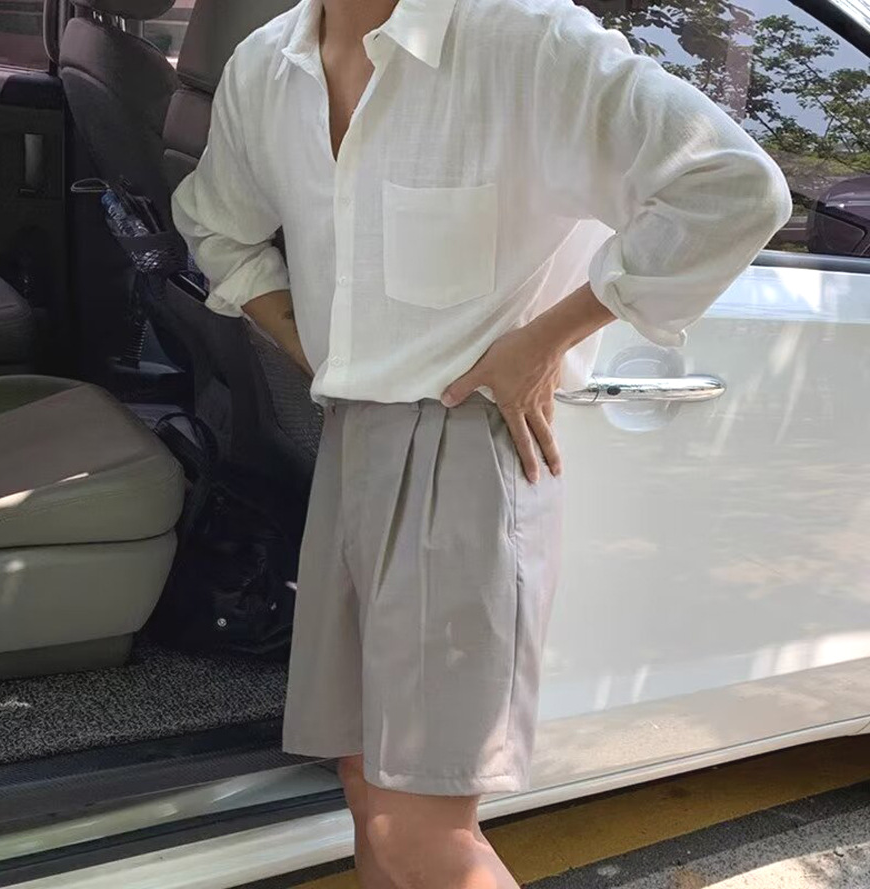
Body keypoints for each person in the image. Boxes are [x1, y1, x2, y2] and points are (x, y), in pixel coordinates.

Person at [172, 0, 792, 882]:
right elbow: (216, 224)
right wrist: (320, 350)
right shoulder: (269, 63)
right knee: (367, 786)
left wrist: (544, 338)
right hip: (349, 437)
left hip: (463, 447)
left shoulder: (522, 36)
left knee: (422, 821)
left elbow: (732, 186)